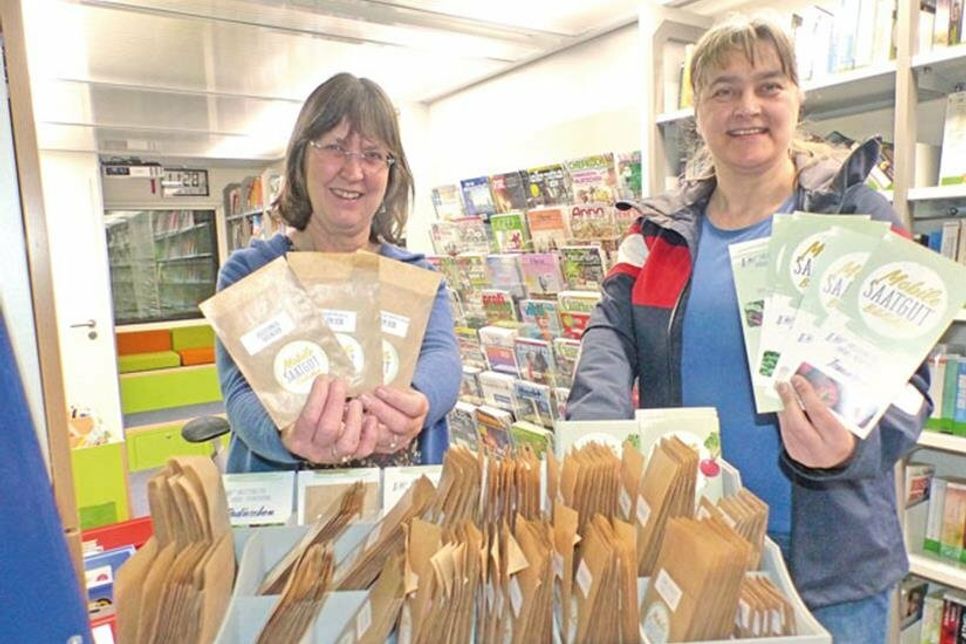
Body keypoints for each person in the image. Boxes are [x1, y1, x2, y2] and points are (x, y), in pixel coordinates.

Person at [566, 14, 931, 643]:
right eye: (724, 89)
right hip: (691, 542)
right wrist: (597, 429)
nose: (748, 107)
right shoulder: (657, 230)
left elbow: (909, 379)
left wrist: (852, 447)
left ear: (797, 98)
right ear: (697, 111)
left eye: (769, 86)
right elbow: (610, 330)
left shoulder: (855, 213)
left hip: (831, 569)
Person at [216, 72, 461, 473]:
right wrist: (287, 437)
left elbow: (442, 357)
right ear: (301, 158)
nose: (353, 171)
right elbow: (240, 392)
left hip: (403, 510)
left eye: (373, 154)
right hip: (287, 514)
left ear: (390, 171)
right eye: (335, 148)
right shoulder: (252, 271)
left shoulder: (413, 275)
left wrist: (418, 402)